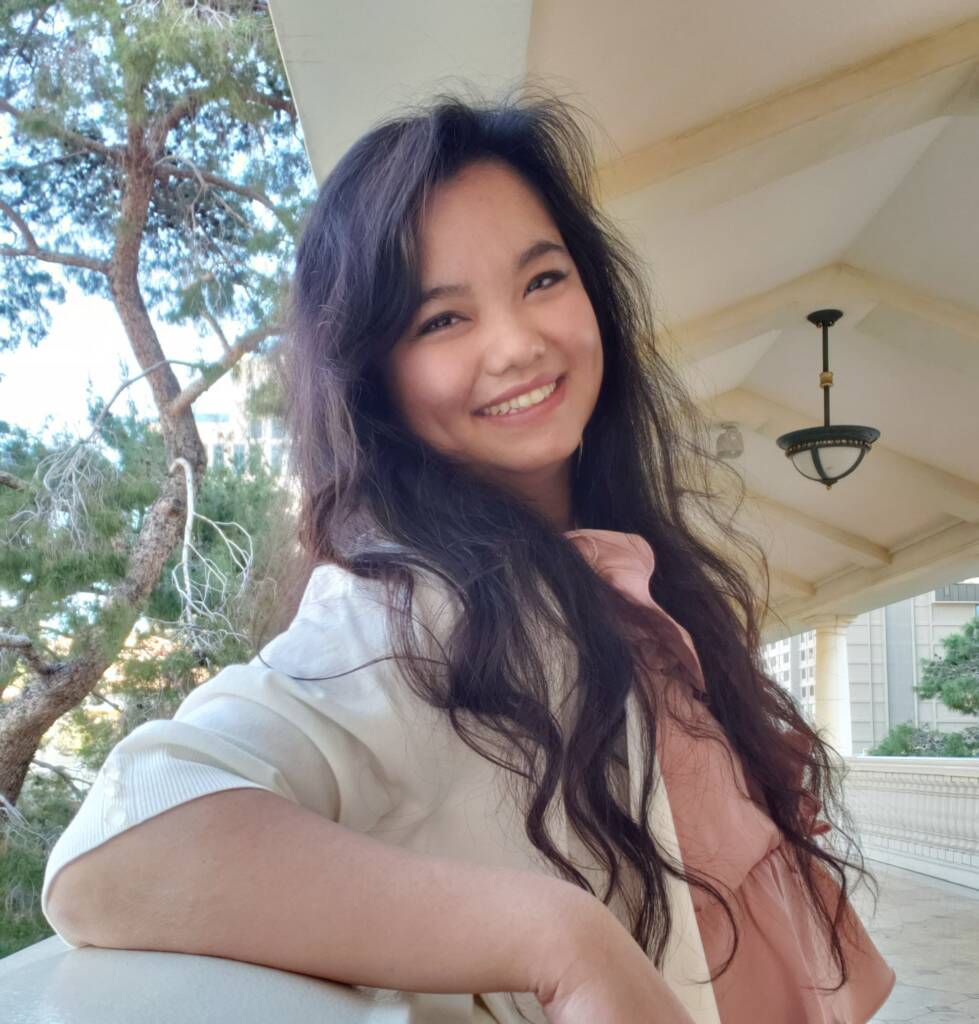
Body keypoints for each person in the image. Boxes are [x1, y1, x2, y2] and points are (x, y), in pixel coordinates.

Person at [42, 87, 895, 1024]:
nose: (519, 345)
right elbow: (119, 847)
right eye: (442, 320)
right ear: (373, 378)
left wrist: (720, 772)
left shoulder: (610, 562)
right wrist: (556, 938)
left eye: (542, 280)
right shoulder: (405, 608)